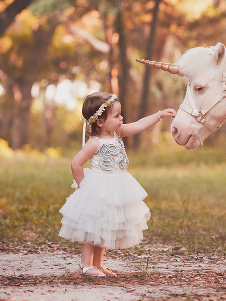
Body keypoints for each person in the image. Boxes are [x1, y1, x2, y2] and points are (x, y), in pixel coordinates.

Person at [59, 92, 176, 277]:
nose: (121, 118)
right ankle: (85, 265)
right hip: (97, 189)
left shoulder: (118, 133)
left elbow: (138, 125)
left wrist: (159, 114)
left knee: (105, 228)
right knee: (92, 229)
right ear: (100, 122)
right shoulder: (94, 143)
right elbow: (76, 163)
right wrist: (83, 186)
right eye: (117, 116)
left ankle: (98, 265)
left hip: (116, 188)